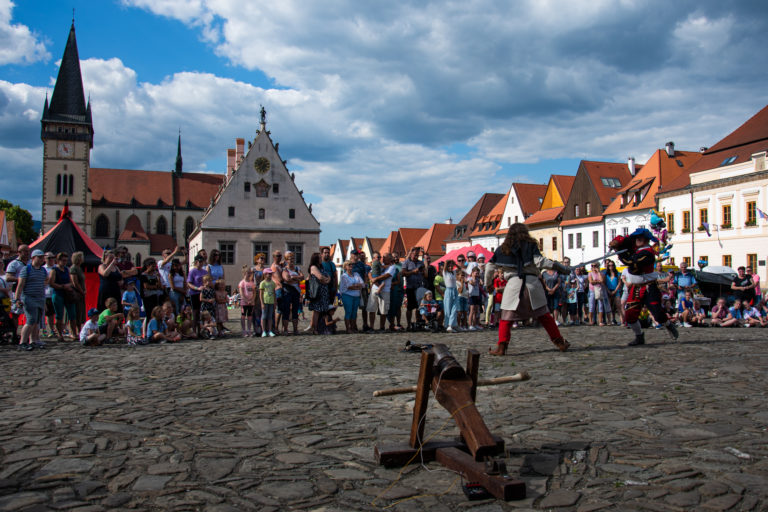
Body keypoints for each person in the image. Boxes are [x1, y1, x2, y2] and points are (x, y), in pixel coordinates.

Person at [485, 223, 570, 355]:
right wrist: (559, 267)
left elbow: (489, 267)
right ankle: (560, 343)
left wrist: (488, 284)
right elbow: (540, 261)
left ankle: (501, 348)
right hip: (532, 285)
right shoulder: (530, 246)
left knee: (506, 319)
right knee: (545, 317)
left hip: (513, 286)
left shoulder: (502, 249)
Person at [609, 228, 679, 346]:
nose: (637, 239)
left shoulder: (648, 253)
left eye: (640, 238)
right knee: (630, 315)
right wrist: (616, 244)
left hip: (649, 287)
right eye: (637, 237)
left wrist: (619, 252)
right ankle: (639, 336)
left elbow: (631, 262)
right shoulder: (635, 248)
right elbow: (624, 240)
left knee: (657, 313)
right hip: (636, 288)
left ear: (646, 240)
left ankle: (668, 324)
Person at [14, 249, 47, 351]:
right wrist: (17, 299)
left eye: (42, 257)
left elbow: (44, 284)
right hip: (29, 298)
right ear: (33, 258)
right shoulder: (26, 269)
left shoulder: (43, 270)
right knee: (30, 320)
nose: (41, 259)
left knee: (36, 321)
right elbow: (20, 285)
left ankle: (34, 341)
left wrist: (44, 300)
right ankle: (23, 342)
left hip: (40, 299)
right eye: (39, 257)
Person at [48, 252, 78, 342]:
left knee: (72, 314)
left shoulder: (67, 269)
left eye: (66, 260)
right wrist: (62, 286)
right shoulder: (54, 270)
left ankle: (74, 333)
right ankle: (60, 334)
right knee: (59, 315)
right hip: (58, 294)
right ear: (58, 260)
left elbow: (71, 282)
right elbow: (51, 283)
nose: (65, 262)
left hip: (67, 294)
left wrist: (68, 286)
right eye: (63, 260)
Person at [401, 247, 425, 330]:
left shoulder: (420, 263)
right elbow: (403, 273)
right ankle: (408, 324)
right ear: (411, 254)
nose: (416, 256)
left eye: (417, 255)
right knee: (410, 307)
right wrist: (412, 272)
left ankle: (418, 323)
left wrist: (422, 271)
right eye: (415, 255)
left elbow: (424, 273)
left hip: (419, 287)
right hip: (410, 287)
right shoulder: (406, 262)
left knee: (419, 307)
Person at [308, 252, 333, 334]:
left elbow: (328, 277)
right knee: (317, 310)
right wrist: (326, 280)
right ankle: (314, 328)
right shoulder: (313, 267)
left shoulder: (321, 267)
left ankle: (319, 327)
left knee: (322, 310)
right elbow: (320, 277)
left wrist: (326, 280)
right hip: (318, 292)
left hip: (324, 292)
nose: (321, 259)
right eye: (319, 257)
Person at [281, 251, 304, 335]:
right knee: (286, 310)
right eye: (289, 259)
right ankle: (285, 329)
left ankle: (295, 329)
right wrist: (297, 278)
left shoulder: (297, 268)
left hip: (296, 291)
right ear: (286, 260)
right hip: (287, 291)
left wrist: (293, 277)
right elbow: (287, 279)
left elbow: (302, 277)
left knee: (295, 311)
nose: (291, 261)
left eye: (293, 259)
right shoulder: (284, 269)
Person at [339, 260, 364, 333]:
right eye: (349, 265)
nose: (351, 266)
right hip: (347, 296)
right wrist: (357, 286)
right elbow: (349, 286)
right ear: (345, 267)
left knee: (354, 313)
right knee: (348, 312)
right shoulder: (344, 276)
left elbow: (362, 284)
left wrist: (355, 286)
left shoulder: (356, 274)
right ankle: (348, 328)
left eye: (351, 264)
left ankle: (353, 327)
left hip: (356, 296)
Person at [187, 255, 209, 334]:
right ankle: (194, 330)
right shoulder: (192, 271)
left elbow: (208, 281)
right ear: (196, 262)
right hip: (194, 293)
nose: (201, 263)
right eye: (200, 261)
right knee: (195, 312)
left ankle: (201, 331)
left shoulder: (205, 272)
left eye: (202, 261)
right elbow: (189, 283)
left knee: (202, 313)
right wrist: (197, 288)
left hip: (203, 293)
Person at [69, 251, 86, 332]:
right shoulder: (73, 268)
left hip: (81, 293)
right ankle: (74, 330)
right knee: (77, 311)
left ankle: (80, 329)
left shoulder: (79, 268)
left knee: (81, 312)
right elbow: (75, 282)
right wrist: (81, 291)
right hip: (76, 293)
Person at [604, 259, 623, 325]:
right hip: (608, 290)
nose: (611, 266)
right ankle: (610, 320)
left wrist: (615, 290)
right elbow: (604, 283)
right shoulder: (606, 274)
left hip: (616, 290)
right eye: (609, 265)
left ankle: (622, 321)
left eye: (612, 265)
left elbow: (619, 283)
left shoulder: (617, 273)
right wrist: (608, 290)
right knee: (609, 307)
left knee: (618, 306)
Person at [239, 266, 257, 337]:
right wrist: (246, 300)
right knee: (243, 316)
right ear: (244, 273)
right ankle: (244, 330)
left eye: (250, 273)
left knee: (250, 316)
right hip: (244, 303)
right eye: (248, 273)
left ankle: (249, 330)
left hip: (251, 303)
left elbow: (254, 292)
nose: (249, 274)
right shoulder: (242, 283)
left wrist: (252, 300)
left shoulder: (252, 283)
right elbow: (241, 293)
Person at [442, 260, 459, 332]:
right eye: (449, 266)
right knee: (448, 309)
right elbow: (445, 267)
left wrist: (455, 264)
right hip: (448, 291)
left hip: (455, 290)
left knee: (455, 308)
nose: (450, 267)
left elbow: (460, 269)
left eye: (451, 266)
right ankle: (448, 325)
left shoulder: (453, 272)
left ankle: (452, 324)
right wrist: (447, 262)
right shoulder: (445, 273)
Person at [259, 268, 276, 337]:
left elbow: (274, 293)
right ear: (265, 274)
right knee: (264, 316)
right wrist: (262, 303)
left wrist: (275, 302)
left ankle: (270, 330)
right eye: (269, 274)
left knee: (270, 317)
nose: (270, 275)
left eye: (271, 274)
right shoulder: (262, 283)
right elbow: (261, 294)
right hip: (265, 301)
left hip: (271, 302)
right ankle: (263, 331)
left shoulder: (273, 283)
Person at [467, 266, 483, 330]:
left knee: (476, 311)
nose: (477, 274)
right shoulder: (469, 279)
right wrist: (473, 277)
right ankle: (470, 325)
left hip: (476, 295)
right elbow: (473, 283)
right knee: (472, 311)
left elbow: (482, 283)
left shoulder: (478, 279)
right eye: (476, 273)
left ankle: (475, 324)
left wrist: (479, 278)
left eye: (478, 273)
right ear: (472, 272)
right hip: (471, 295)